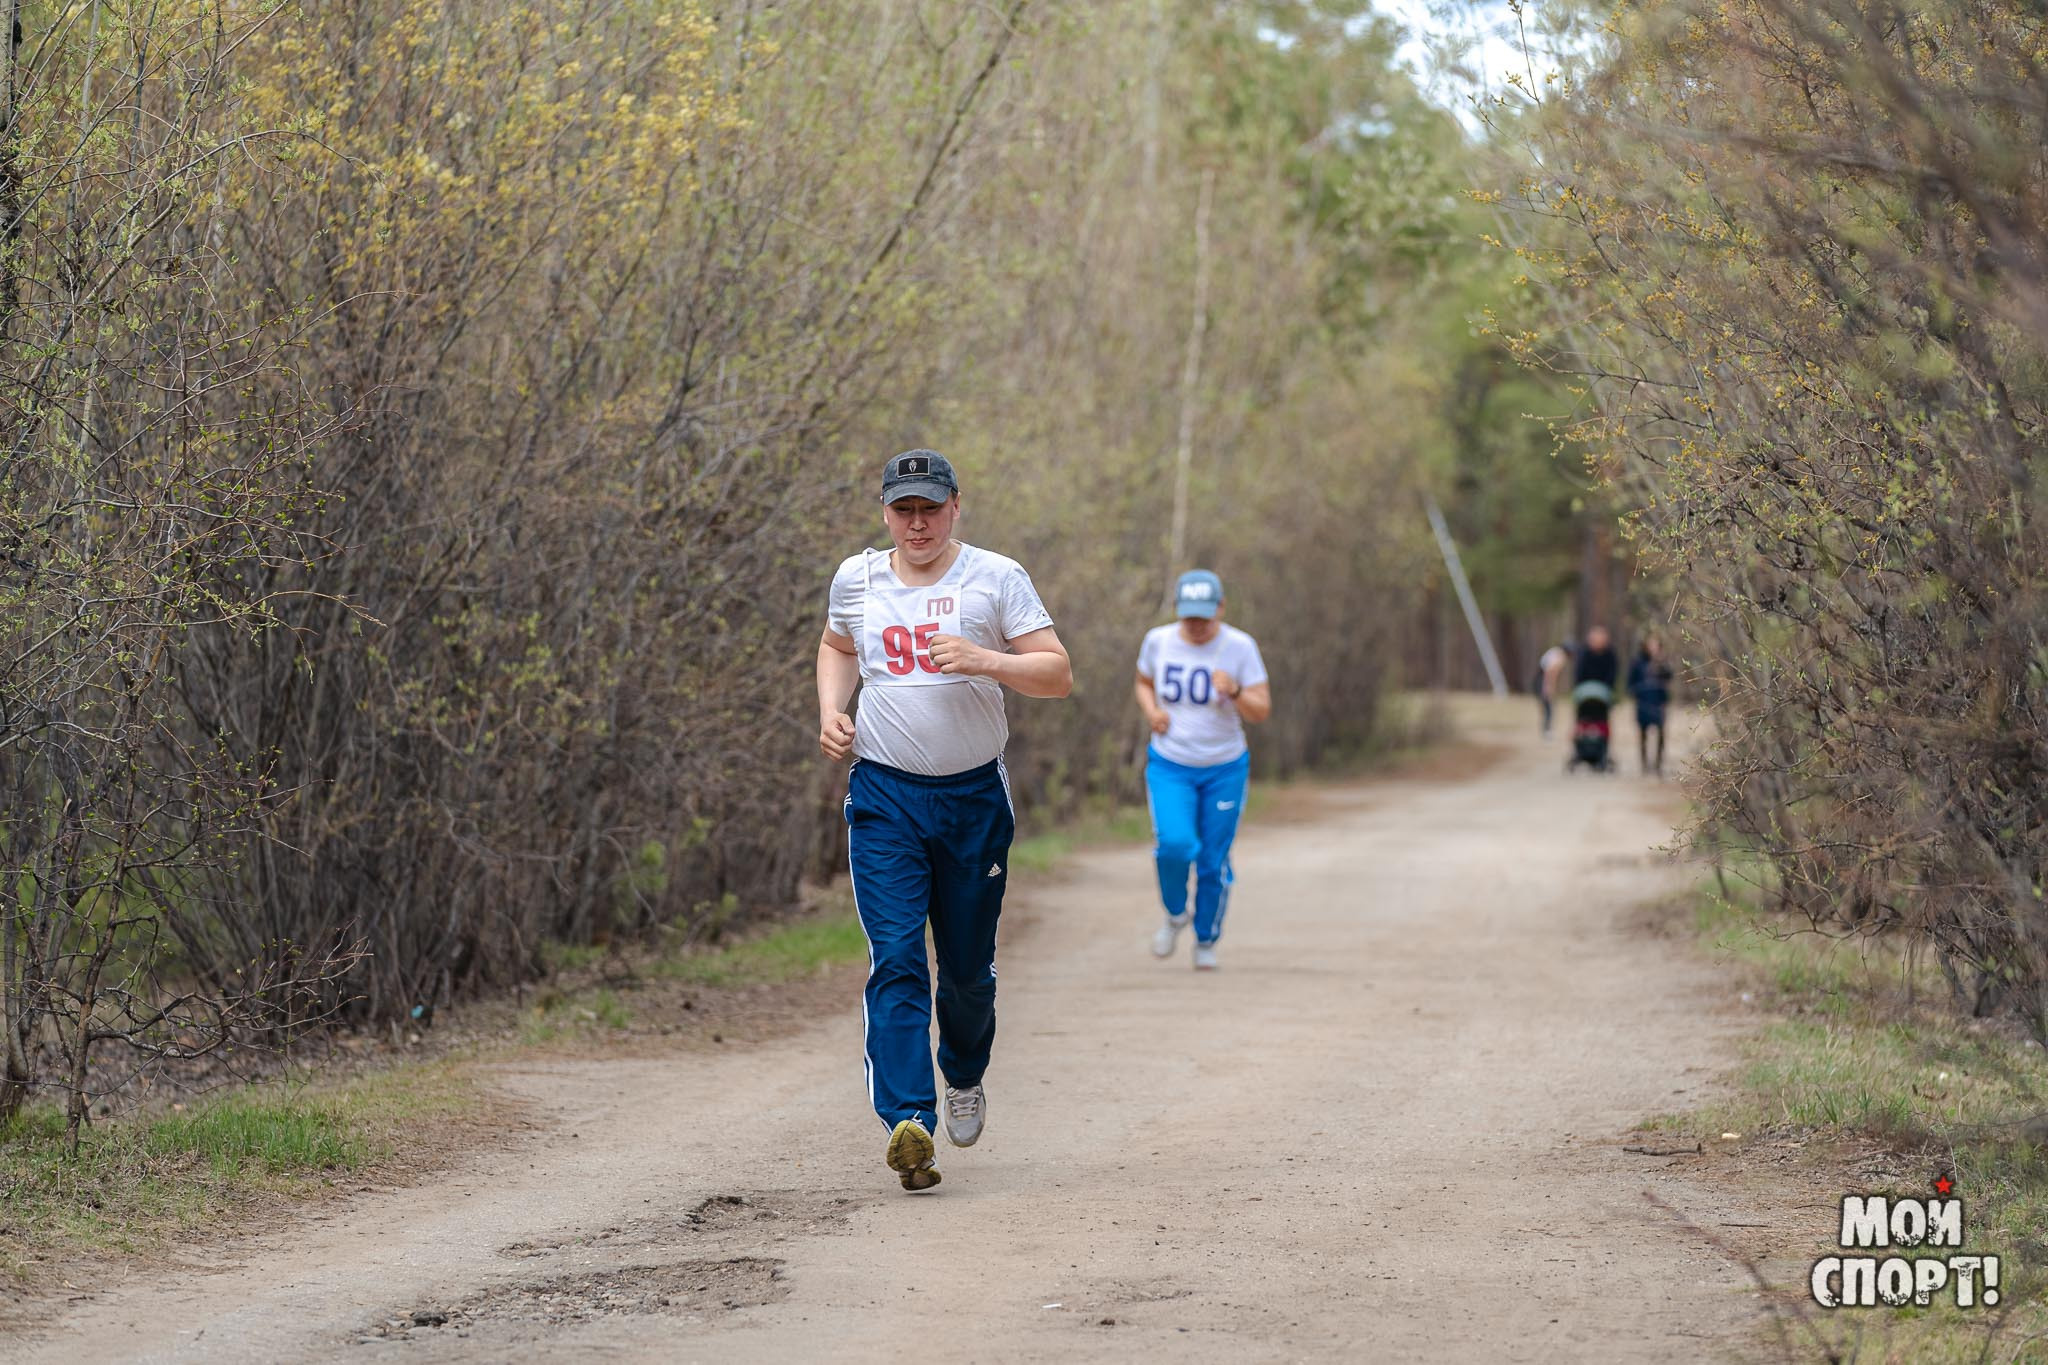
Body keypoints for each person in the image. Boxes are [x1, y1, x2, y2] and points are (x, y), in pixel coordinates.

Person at [817, 449, 1072, 1192]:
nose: (918, 522)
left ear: (956, 505)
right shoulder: (857, 578)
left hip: (971, 801)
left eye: (931, 507)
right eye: (905, 509)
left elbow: (1056, 673)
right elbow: (836, 646)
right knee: (896, 955)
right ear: (886, 512)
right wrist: (832, 711)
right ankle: (910, 1120)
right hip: (885, 796)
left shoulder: (995, 577)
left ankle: (963, 1071)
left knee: (964, 971)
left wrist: (985, 659)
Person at [1134, 570, 1271, 971]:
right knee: (1174, 845)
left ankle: (1207, 937)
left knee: (1213, 859)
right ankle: (1176, 913)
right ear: (1178, 610)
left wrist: (1236, 691)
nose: (1196, 626)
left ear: (1221, 609)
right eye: (1189, 616)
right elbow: (1143, 682)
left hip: (1224, 767)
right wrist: (1152, 711)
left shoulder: (1240, 647)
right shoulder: (1158, 640)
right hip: (1171, 763)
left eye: (1204, 617)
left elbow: (1261, 710)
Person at [1627, 634, 1675, 776]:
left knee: (1661, 732)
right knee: (1642, 733)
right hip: (1643, 701)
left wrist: (1660, 663)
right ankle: (1644, 764)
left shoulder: (1663, 662)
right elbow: (1630, 682)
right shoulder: (1637, 662)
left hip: (1659, 702)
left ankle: (1658, 764)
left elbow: (1669, 676)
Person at [1535, 641, 1570, 736]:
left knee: (1547, 707)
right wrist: (1548, 687)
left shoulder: (1555, 652)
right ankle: (1547, 731)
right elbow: (1551, 672)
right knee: (1549, 707)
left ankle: (1546, 729)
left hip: (1540, 678)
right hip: (1544, 680)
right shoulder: (1560, 656)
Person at [1574, 625, 1619, 690]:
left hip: (1604, 688)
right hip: (1585, 687)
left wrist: (1606, 686)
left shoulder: (1611, 655)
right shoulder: (1584, 654)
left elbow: (1612, 675)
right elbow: (1579, 673)